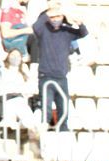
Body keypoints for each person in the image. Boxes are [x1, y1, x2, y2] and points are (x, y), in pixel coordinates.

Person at [32, 4, 88, 132]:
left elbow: (83, 33)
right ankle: (43, 132)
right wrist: (49, 11)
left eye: (58, 16)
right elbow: (35, 27)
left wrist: (80, 23)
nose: (55, 19)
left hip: (62, 77)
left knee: (64, 108)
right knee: (46, 109)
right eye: (53, 17)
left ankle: (63, 132)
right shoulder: (44, 31)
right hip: (46, 76)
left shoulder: (66, 31)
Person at [0, 49, 39, 134]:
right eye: (13, 55)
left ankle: (34, 137)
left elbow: (28, 89)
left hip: (20, 100)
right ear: (8, 57)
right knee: (10, 118)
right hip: (5, 100)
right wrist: (8, 89)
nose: (15, 58)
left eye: (18, 56)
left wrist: (18, 90)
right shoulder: (0, 71)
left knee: (29, 119)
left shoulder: (23, 73)